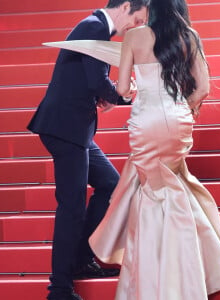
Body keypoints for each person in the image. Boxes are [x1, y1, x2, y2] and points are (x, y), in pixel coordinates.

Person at [88, 0, 220, 299]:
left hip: (146, 121)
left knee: (152, 192)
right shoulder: (189, 36)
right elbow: (203, 89)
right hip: (176, 119)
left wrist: (136, 86)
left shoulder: (134, 36)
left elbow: (121, 91)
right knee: (173, 185)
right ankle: (188, 270)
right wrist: (181, 107)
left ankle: (153, 274)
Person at [27, 1, 149, 300]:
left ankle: (81, 259)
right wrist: (125, 97)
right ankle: (59, 289)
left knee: (110, 183)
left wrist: (110, 96)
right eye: (138, 19)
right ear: (127, 7)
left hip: (74, 129)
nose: (136, 26)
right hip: (65, 128)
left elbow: (90, 80)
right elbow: (97, 81)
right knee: (71, 208)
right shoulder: (94, 27)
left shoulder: (96, 29)